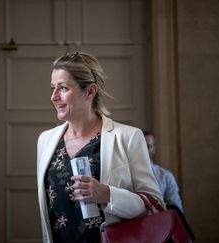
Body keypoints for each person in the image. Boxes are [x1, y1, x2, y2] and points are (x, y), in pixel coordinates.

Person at [37, 51, 164, 243]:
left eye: (62, 88)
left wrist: (108, 194)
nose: (54, 97)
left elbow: (155, 204)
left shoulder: (128, 137)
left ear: (90, 91)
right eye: (53, 88)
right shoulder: (45, 140)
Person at [143, 131, 184, 211]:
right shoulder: (126, 175)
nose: (144, 150)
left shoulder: (166, 176)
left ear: (153, 149)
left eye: (148, 146)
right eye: (141, 146)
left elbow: (176, 210)